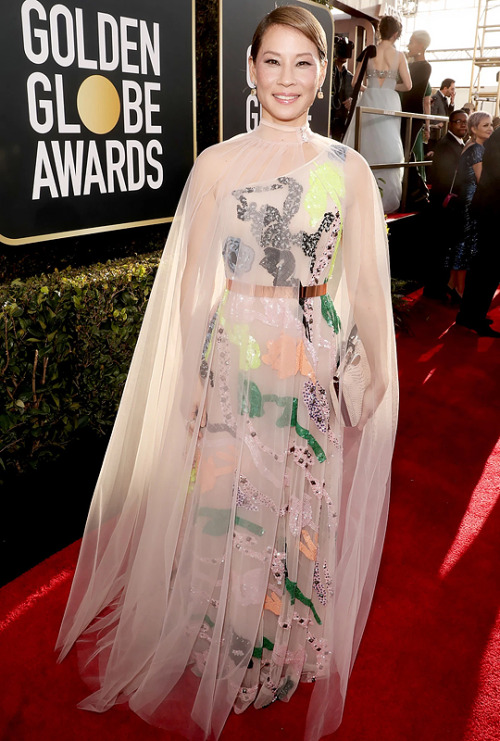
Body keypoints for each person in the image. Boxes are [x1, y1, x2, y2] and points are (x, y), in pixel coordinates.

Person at [56, 7, 398, 741]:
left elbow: (367, 284)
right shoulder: (216, 164)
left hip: (309, 356)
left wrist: (376, 372)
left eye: (302, 63)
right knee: (229, 501)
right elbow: (189, 285)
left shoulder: (349, 171)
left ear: (323, 74)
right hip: (234, 351)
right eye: (271, 62)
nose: (286, 79)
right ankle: (227, 640)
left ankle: (280, 645)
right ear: (249, 70)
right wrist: (188, 372)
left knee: (294, 501)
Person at [344, 15, 412, 213]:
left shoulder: (369, 51)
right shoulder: (399, 56)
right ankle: (385, 198)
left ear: (381, 30)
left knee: (366, 143)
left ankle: (361, 196)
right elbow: (408, 85)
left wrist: (371, 88)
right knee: (389, 146)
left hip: (370, 99)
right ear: (397, 34)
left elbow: (355, 82)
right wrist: (390, 86)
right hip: (390, 100)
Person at [456, 125, 500, 337]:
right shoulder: (498, 138)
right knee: (487, 268)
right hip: (493, 212)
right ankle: (473, 317)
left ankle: (470, 315)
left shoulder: (497, 136)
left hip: (490, 210)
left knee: (485, 267)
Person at [446, 111, 493, 299]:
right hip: (470, 201)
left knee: (461, 242)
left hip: (465, 199)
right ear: (474, 129)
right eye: (485, 125)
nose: (490, 128)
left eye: (491, 125)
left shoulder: (470, 145)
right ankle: (459, 288)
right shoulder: (477, 150)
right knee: (465, 244)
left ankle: (452, 284)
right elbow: (482, 180)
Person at [423, 110, 468, 300]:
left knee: (447, 248)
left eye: (465, 122)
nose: (463, 125)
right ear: (450, 124)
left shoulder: (458, 143)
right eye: (458, 122)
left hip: (452, 204)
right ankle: (435, 290)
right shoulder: (446, 145)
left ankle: (442, 287)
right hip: (444, 204)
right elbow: (443, 176)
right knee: (440, 249)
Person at [330, 35, 354, 141]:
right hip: (327, 118)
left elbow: (356, 96)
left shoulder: (350, 77)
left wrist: (353, 101)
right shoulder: (327, 74)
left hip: (342, 122)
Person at [428, 78, 456, 152]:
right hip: (434, 135)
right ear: (445, 88)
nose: (453, 92)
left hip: (441, 134)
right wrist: (437, 124)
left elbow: (448, 114)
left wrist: (452, 102)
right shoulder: (435, 98)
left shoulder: (445, 99)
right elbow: (431, 114)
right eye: (452, 89)